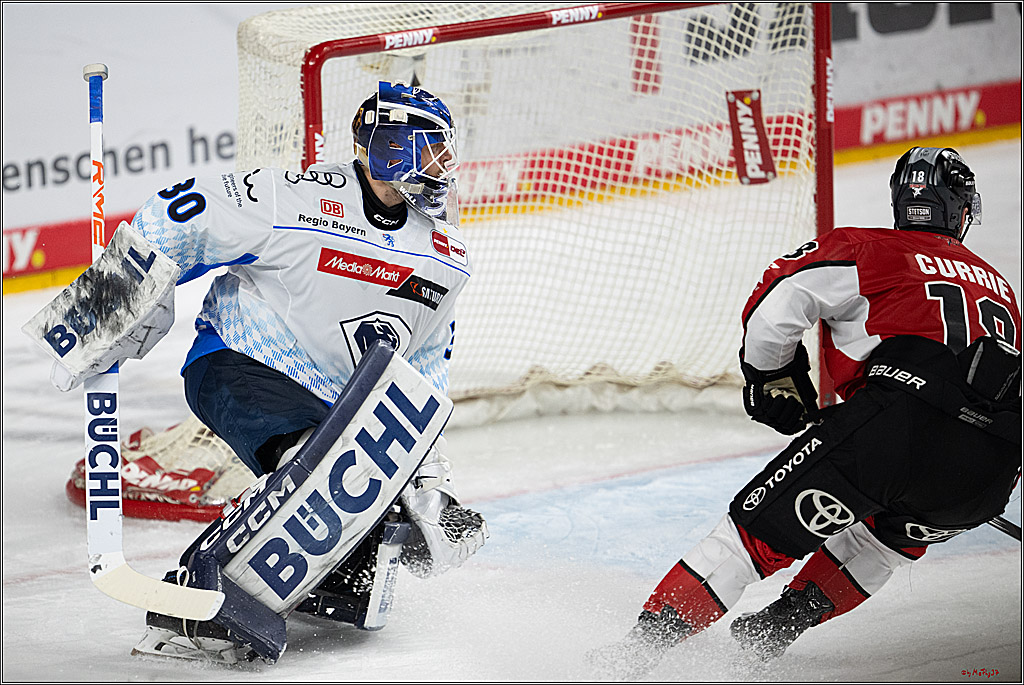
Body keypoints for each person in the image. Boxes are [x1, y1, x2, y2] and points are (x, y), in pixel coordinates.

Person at [598, 146, 1021, 677]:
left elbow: (778, 301)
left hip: (894, 427)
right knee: (886, 540)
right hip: (992, 468)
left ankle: (627, 660)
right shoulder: (1001, 287)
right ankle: (773, 630)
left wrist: (772, 376)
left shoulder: (866, 248)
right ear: (960, 210)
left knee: (750, 538)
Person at [124, 81, 487, 660]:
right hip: (238, 362)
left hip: (332, 411)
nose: (445, 165)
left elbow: (420, 374)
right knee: (313, 468)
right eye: (432, 148)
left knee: (372, 504)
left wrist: (427, 484)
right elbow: (180, 210)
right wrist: (122, 291)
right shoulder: (294, 197)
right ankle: (198, 598)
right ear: (391, 147)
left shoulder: (445, 258)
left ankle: (328, 588)